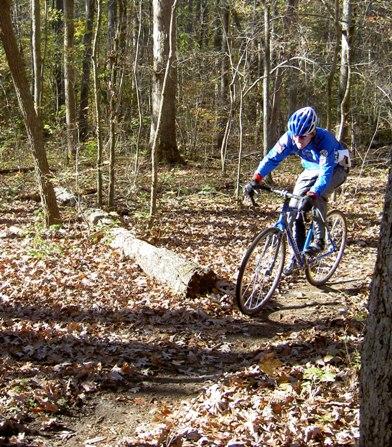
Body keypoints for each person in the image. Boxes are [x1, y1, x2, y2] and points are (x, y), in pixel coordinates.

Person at [244, 106, 351, 275]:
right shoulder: (290, 138)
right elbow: (272, 157)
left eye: (302, 137)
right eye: (295, 136)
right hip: (311, 168)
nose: (297, 140)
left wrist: (312, 194)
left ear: (312, 132)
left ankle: (319, 240)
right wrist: (256, 179)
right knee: (293, 209)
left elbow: (325, 174)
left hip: (337, 167)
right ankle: (297, 257)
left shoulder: (326, 141)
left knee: (318, 196)